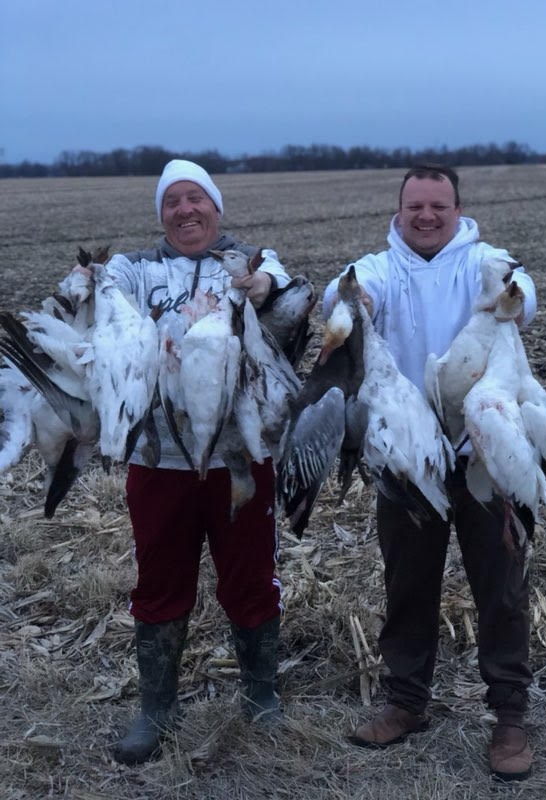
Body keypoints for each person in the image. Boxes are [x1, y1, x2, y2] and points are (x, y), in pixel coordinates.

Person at [323, 165, 537, 782]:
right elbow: (351, 292)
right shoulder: (381, 268)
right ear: (399, 210)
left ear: (456, 209)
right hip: (409, 460)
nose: (426, 216)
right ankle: (406, 702)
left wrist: (514, 289)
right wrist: (350, 299)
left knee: (499, 587)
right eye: (415, 205)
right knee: (408, 584)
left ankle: (509, 716)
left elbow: (523, 291)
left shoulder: (483, 261)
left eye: (437, 206)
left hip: (482, 456)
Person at [103, 159, 289, 765]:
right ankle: (157, 708)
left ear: (217, 205)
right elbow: (103, 302)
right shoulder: (134, 269)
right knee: (159, 579)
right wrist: (87, 285)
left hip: (240, 459)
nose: (185, 210)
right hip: (159, 460)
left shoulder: (256, 262)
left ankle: (261, 694)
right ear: (161, 214)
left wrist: (263, 289)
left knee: (250, 574)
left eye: (196, 198)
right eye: (172, 202)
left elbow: (284, 305)